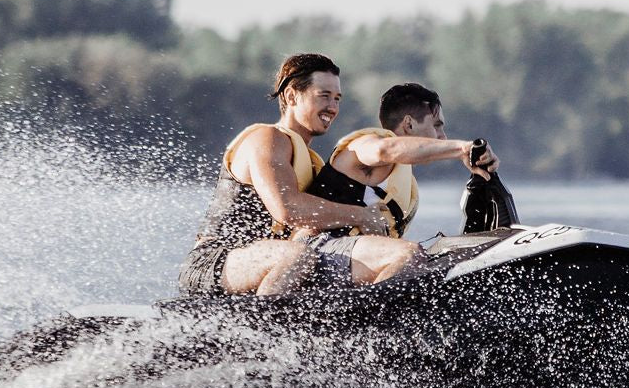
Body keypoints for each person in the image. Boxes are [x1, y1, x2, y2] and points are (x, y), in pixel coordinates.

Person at [178, 53, 392, 297]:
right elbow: (287, 209)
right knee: (299, 256)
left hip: (269, 267)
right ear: (291, 96)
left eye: (337, 99)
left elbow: (305, 229)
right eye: (324, 96)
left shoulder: (313, 164)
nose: (333, 108)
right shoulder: (267, 138)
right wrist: (360, 216)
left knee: (323, 259)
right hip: (213, 263)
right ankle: (261, 330)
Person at [300, 82, 499, 284]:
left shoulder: (403, 178)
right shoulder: (365, 145)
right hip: (318, 249)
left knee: (441, 258)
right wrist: (462, 148)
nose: (443, 137)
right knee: (409, 253)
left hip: (349, 258)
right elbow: (384, 150)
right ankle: (374, 313)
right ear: (409, 124)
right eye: (437, 126)